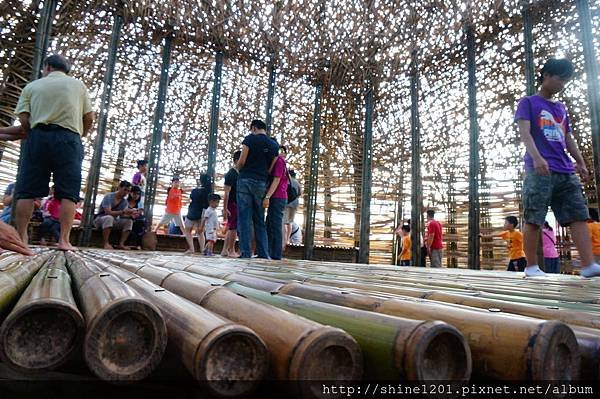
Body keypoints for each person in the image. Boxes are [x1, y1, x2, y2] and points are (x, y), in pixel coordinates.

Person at [515, 58, 600, 278]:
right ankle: (532, 266)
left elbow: (567, 136)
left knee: (578, 215)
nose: (563, 84)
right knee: (534, 215)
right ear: (546, 75)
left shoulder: (561, 108)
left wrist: (579, 161)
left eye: (566, 80)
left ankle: (589, 265)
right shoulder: (528, 102)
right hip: (539, 170)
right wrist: (536, 157)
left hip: (565, 169)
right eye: (560, 79)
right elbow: (525, 132)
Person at [14, 54, 95, 251]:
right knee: (69, 193)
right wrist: (78, 135)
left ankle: (21, 239)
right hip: (69, 138)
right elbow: (90, 118)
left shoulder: (32, 86)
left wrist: (32, 131)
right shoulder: (78, 86)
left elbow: (24, 119)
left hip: (39, 137)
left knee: (26, 191)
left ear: (47, 67)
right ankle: (64, 241)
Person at [236, 119, 279, 259]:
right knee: (259, 219)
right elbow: (271, 167)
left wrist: (238, 170)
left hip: (245, 180)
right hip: (261, 182)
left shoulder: (249, 139)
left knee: (244, 218)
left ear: (254, 128)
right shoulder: (273, 145)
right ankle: (263, 253)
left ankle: (246, 253)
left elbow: (241, 161)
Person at [94, 181, 135, 249]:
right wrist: (123, 212)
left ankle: (121, 244)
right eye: (125, 190)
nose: (126, 193)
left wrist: (131, 214)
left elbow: (122, 215)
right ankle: (106, 243)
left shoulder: (124, 202)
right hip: (101, 219)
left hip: (115, 220)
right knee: (109, 218)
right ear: (119, 187)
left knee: (129, 221)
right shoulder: (109, 196)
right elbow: (108, 212)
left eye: (128, 191)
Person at [264, 145, 288, 260]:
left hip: (278, 196)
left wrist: (268, 196)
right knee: (270, 223)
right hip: (277, 196)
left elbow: (277, 179)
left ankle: (276, 254)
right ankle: (270, 252)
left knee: (276, 225)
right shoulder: (277, 161)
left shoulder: (279, 161)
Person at [185, 174, 212, 254]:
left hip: (192, 213)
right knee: (200, 232)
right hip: (201, 214)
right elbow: (206, 206)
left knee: (188, 230)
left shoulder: (195, 191)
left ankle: (192, 249)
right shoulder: (208, 191)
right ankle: (202, 249)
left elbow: (192, 197)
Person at [222, 151, 240, 257]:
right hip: (232, 204)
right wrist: (225, 208)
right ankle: (231, 250)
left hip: (234, 203)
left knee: (231, 227)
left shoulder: (238, 173)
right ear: (237, 160)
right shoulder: (231, 174)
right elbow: (226, 193)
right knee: (233, 227)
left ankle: (225, 250)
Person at [284, 168, 301, 247]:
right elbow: (299, 193)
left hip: (288, 202)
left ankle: (284, 239)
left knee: (284, 222)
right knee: (290, 221)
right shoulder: (297, 183)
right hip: (295, 204)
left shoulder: (287, 181)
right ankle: (287, 239)